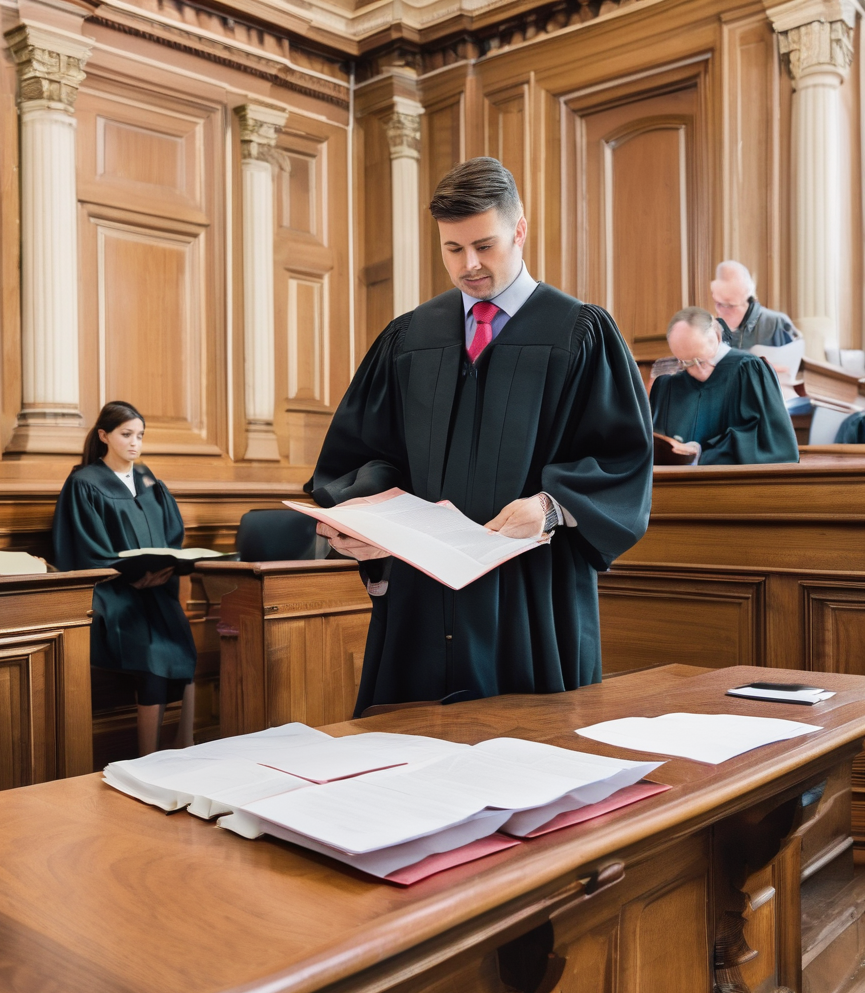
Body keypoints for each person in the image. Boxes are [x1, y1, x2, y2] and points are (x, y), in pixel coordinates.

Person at [307, 157, 653, 715]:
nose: (469, 265)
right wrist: (367, 524)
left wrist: (549, 508)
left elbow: (621, 459)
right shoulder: (410, 337)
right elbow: (369, 452)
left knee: (528, 762)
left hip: (530, 592)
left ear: (519, 231)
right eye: (452, 249)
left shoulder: (580, 332)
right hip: (421, 594)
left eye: (484, 246)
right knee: (412, 755)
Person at [52, 401, 197, 755]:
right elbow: (83, 546)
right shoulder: (83, 483)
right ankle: (148, 755)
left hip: (156, 589)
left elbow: (171, 534)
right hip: (112, 595)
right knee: (151, 655)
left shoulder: (148, 479)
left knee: (186, 647)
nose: (135, 443)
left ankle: (185, 741)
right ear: (104, 435)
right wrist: (129, 579)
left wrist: (162, 570)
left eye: (140, 435)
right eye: (126, 434)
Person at [649, 307, 799, 465]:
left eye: (701, 360)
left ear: (717, 337)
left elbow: (768, 444)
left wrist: (699, 455)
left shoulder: (748, 370)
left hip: (730, 485)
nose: (698, 370)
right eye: (687, 362)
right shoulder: (668, 386)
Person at [710, 261, 801, 350]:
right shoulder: (713, 326)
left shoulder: (776, 322)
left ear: (746, 301)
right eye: (718, 304)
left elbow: (795, 360)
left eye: (729, 305)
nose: (721, 310)